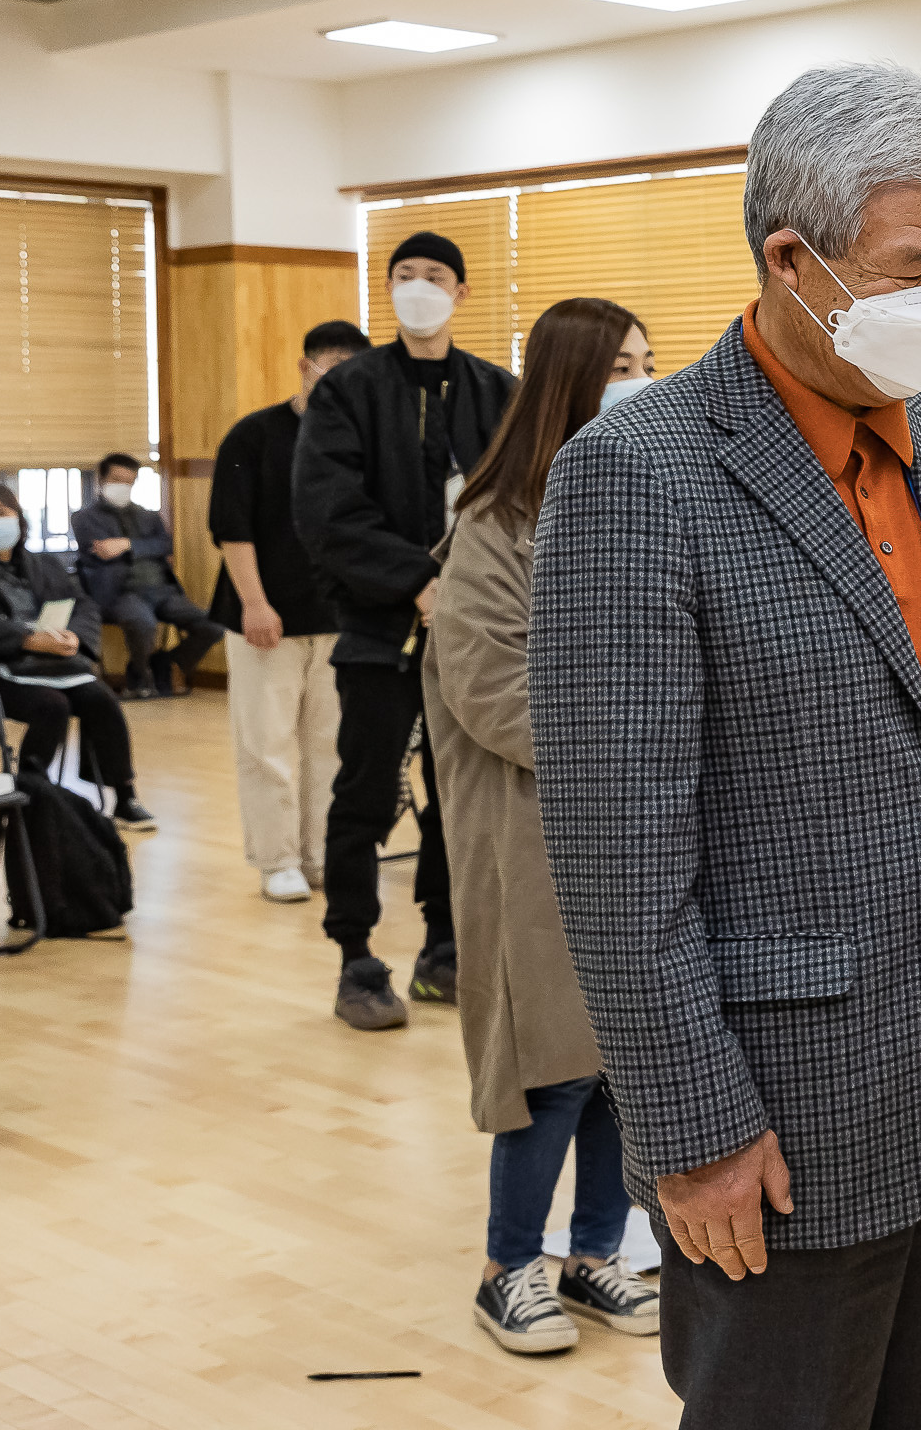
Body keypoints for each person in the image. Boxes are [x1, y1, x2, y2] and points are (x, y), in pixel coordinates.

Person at [530, 60, 921, 1430]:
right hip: (775, 1107)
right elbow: (615, 850)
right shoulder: (637, 472)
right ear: (792, 257)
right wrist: (691, 1126)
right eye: (916, 268)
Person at [426, 298, 662, 1357]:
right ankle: (506, 1263)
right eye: (621, 364)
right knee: (550, 1060)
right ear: (568, 377)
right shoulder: (494, 519)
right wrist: (629, 734)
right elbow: (486, 687)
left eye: (652, 363)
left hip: (636, 822)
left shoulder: (638, 494)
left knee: (625, 1056)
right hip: (532, 827)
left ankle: (593, 1251)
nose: (642, 381)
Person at [294, 232, 517, 1032]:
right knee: (365, 791)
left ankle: (445, 948)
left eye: (434, 277)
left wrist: (468, 594)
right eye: (403, 276)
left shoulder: (498, 390)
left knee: (455, 801)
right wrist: (419, 582)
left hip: (476, 637)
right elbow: (328, 512)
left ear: (461, 293)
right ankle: (355, 955)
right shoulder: (347, 391)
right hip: (379, 631)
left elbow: (520, 501)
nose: (417, 287)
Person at [211, 321, 367, 903]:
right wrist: (255, 603)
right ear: (306, 367)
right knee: (266, 742)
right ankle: (277, 859)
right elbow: (233, 528)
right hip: (265, 617)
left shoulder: (362, 439)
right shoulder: (253, 435)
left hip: (342, 617)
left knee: (332, 744)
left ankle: (324, 854)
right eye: (332, 367)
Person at [0, 481, 152, 829]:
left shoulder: (44, 564)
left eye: (2, 513)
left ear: (19, 520)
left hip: (54, 662)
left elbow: (83, 605)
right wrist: (27, 639)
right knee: (53, 706)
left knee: (100, 699)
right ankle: (28, 795)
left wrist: (75, 639)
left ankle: (125, 797)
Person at [72, 452, 224, 700]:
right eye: (117, 479)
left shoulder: (148, 516)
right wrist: (143, 547)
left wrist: (126, 544)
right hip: (119, 593)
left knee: (214, 625)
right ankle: (138, 677)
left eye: (129, 481)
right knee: (143, 623)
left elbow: (165, 545)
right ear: (101, 479)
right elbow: (101, 552)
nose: (123, 486)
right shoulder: (84, 518)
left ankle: (165, 663)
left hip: (162, 590)